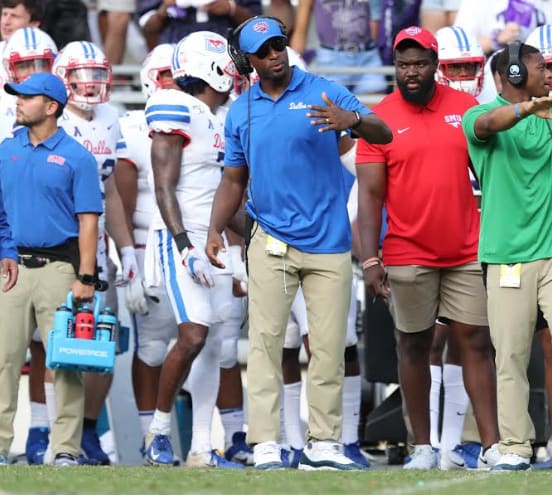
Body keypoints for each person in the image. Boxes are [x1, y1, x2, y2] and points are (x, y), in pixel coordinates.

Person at [206, 15, 392, 471]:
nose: (274, 56)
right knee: (267, 347)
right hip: (268, 241)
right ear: (246, 61)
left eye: (278, 46)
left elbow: (383, 134)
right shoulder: (240, 110)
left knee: (329, 348)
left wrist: (353, 120)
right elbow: (233, 179)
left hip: (328, 241)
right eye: (263, 51)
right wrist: (213, 229)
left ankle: (325, 443)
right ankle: (266, 443)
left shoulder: (324, 89)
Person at [355, 26, 500, 470]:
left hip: (466, 250)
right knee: (414, 347)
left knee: (475, 344)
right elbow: (369, 196)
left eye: (420, 63)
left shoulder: (466, 108)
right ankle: (422, 446)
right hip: (406, 252)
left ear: (435, 65)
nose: (411, 72)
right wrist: (370, 258)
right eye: (403, 65)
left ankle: (493, 446)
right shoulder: (379, 118)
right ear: (394, 67)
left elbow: (493, 177)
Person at [142, 30, 244, 469]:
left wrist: (255, 239)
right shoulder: (174, 104)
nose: (233, 75)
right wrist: (183, 244)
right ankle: (159, 433)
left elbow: (227, 193)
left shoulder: (218, 118)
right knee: (194, 333)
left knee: (218, 341)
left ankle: (202, 446)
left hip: (217, 239)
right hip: (182, 237)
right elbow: (163, 183)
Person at [0, 72, 102, 466]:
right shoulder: (7, 150)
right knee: (5, 359)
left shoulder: (78, 157)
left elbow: (88, 222)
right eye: (18, 97)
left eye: (27, 97)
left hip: (62, 268)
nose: (18, 103)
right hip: (13, 268)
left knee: (66, 360)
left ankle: (64, 449)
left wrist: (86, 277)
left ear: (51, 106)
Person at [462, 41, 552, 472]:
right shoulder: (477, 116)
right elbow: (488, 126)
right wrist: (532, 107)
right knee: (511, 357)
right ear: (513, 74)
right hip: (507, 257)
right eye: (540, 67)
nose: (548, 74)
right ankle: (515, 447)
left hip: (551, 254)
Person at [52, 39, 128, 465]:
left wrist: (127, 251)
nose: (91, 84)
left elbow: (112, 190)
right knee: (60, 344)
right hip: (64, 248)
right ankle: (54, 431)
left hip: (101, 252)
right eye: (82, 75)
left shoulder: (112, 119)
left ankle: (88, 430)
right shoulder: (52, 118)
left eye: (98, 75)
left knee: (103, 344)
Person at [289, 0, 387, 96]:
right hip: (330, 60)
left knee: (373, 110)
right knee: (331, 108)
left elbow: (375, 22)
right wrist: (293, 69)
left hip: (367, 57)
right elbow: (300, 31)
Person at [137, 0, 262, 48]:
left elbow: (258, 24)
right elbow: (148, 28)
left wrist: (232, 8)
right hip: (176, 54)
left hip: (226, 53)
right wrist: (163, 10)